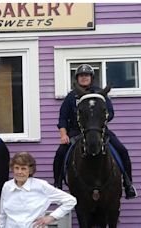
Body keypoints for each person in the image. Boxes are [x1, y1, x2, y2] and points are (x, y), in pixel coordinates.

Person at [53, 63, 138, 199]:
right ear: (77, 78)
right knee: (60, 154)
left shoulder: (100, 94)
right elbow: (63, 117)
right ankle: (57, 186)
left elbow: (110, 113)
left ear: (92, 77)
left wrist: (97, 121)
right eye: (81, 75)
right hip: (76, 131)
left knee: (122, 150)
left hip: (99, 130)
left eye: (87, 75)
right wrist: (63, 135)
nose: (84, 78)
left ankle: (128, 184)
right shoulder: (71, 97)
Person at [0, 152, 76, 228]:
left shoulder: (41, 186)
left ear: (30, 170)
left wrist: (51, 217)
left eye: (23, 168)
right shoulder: (7, 186)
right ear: (12, 169)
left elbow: (70, 200)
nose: (19, 172)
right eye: (16, 168)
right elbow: (3, 215)